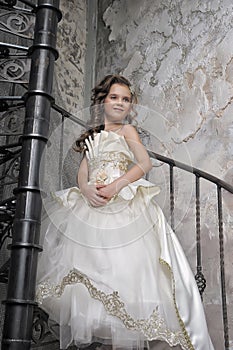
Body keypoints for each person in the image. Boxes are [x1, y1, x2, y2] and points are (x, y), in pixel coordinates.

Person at [36, 75, 214, 350]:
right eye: (114, 97)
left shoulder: (127, 132)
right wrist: (85, 189)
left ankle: (126, 337)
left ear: (131, 105)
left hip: (121, 205)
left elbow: (144, 164)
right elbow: (84, 170)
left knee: (124, 270)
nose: (120, 103)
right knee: (94, 269)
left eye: (126, 99)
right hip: (92, 207)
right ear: (102, 101)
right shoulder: (92, 135)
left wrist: (117, 186)